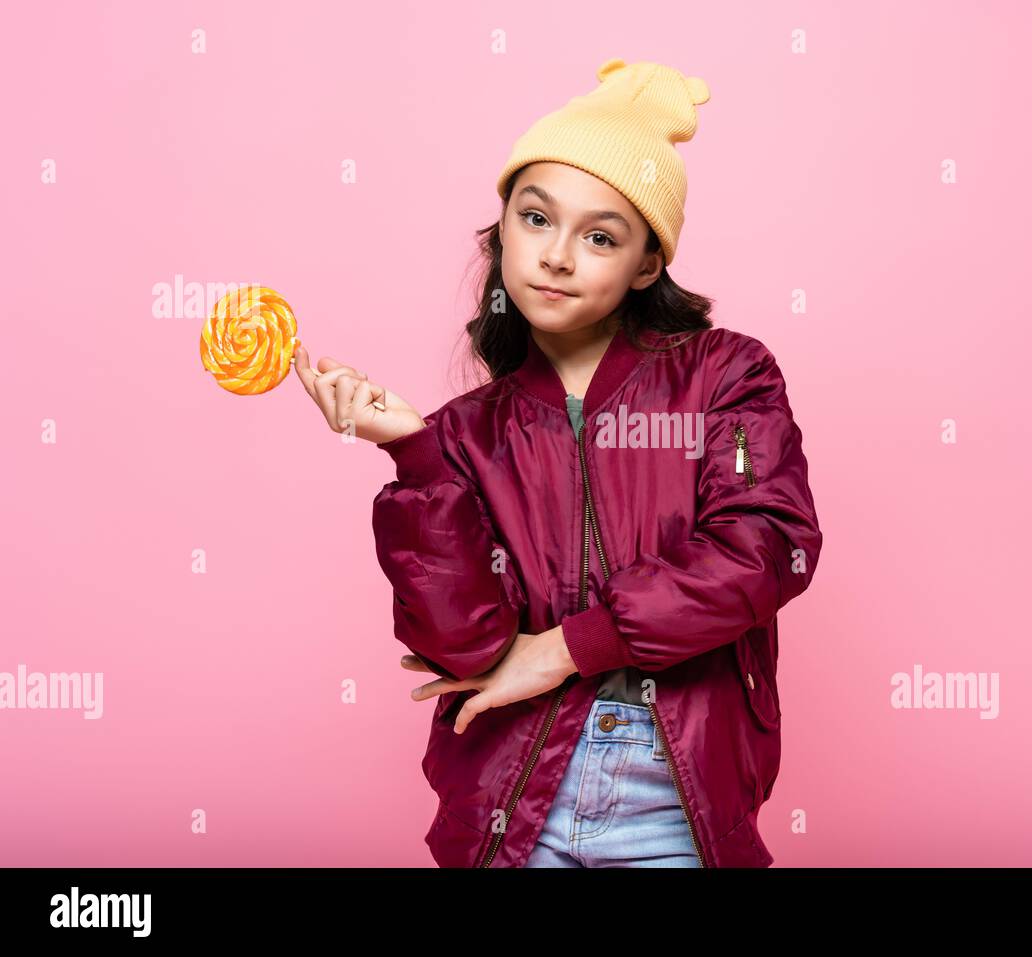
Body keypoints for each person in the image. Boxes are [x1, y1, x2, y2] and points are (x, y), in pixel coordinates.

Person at [293, 58, 823, 867]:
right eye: (536, 219)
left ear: (648, 263)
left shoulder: (726, 374)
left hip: (674, 794)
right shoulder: (463, 434)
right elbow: (464, 648)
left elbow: (763, 549)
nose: (557, 257)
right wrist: (412, 452)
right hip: (515, 801)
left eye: (601, 236)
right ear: (502, 226)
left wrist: (568, 645)